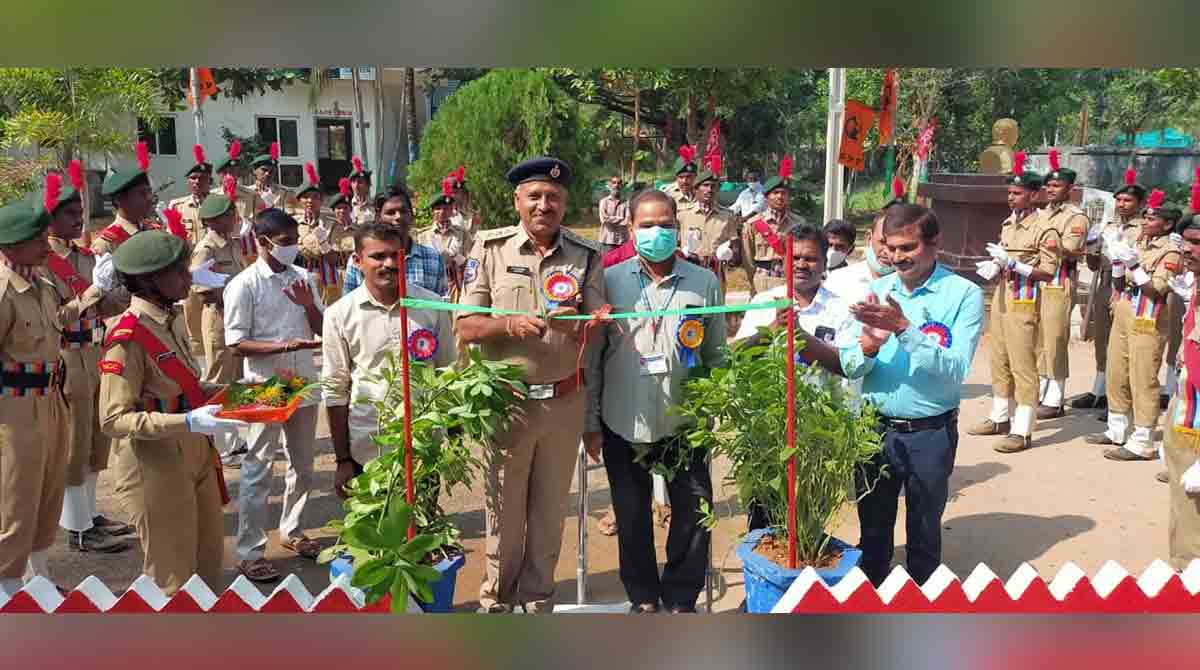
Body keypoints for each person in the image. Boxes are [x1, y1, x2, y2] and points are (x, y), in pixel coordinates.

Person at [457, 156, 604, 614]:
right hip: (508, 404)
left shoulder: (586, 256)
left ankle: (538, 602)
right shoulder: (489, 250)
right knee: (504, 513)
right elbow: (466, 325)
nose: (545, 204)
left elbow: (599, 325)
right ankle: (497, 604)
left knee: (547, 514)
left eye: (554, 197)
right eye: (535, 196)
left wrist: (578, 320)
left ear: (566, 203)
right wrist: (509, 325)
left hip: (563, 404)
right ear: (517, 200)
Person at [583, 189, 720, 614]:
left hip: (683, 421)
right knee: (632, 513)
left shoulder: (704, 283)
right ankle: (642, 595)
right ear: (630, 228)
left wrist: (710, 409)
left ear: (678, 226)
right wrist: (590, 421)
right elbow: (593, 358)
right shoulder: (608, 280)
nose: (656, 232)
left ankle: (681, 596)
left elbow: (716, 354)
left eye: (665, 224)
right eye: (647, 225)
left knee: (694, 512)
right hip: (623, 417)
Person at [838, 204, 984, 586]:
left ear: (934, 242)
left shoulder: (964, 294)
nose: (898, 258)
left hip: (929, 434)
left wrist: (904, 328)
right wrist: (868, 347)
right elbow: (853, 366)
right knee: (872, 529)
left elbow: (955, 369)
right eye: (891, 248)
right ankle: (870, 599)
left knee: (923, 531)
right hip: (874, 429)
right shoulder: (878, 290)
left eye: (908, 248)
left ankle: (921, 604)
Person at [97, 229, 246, 595]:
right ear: (149, 282)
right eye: (177, 271)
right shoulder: (127, 338)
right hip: (155, 463)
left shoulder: (171, 318)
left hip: (195, 451)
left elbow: (182, 390)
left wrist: (242, 395)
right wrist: (188, 420)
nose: (188, 277)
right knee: (174, 578)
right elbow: (113, 419)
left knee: (209, 565)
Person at [734, 224, 858, 534]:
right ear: (783, 260)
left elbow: (846, 365)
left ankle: (806, 579)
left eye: (811, 258)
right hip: (767, 426)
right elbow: (736, 359)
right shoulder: (764, 302)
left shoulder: (841, 308)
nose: (802, 264)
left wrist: (802, 338)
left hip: (817, 427)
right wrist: (769, 333)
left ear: (824, 261)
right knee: (763, 516)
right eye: (796, 257)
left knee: (808, 518)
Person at [223, 207, 325, 583]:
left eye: (294, 240)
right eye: (284, 242)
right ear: (262, 242)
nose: (292, 248)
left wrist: (308, 305)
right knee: (257, 468)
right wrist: (284, 347)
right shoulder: (243, 284)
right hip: (263, 384)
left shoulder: (304, 277)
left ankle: (292, 531)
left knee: (303, 465)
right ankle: (249, 551)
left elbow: (322, 326)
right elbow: (235, 344)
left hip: (304, 380)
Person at [322, 224, 457, 497]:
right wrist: (343, 460)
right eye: (377, 256)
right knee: (377, 534)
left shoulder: (432, 306)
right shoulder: (339, 314)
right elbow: (335, 391)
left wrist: (453, 443)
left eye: (395, 256)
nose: (388, 264)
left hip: (423, 447)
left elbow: (447, 374)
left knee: (423, 533)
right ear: (358, 262)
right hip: (368, 449)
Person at [43, 173, 133, 553]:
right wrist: (95, 290)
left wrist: (118, 293)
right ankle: (77, 528)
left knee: (98, 442)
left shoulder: (84, 257)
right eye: (70, 215)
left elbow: (104, 306)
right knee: (76, 445)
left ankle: (90, 516)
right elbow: (56, 318)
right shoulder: (44, 263)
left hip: (96, 351)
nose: (79, 221)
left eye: (80, 213)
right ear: (50, 220)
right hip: (69, 357)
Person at [0, 197, 72, 599]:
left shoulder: (41, 284)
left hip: (49, 399)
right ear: (10, 246)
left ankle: (38, 577)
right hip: (13, 409)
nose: (46, 245)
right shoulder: (4, 292)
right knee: (15, 498)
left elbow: (57, 328)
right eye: (36, 239)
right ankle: (6, 587)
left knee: (49, 491)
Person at [968, 160, 1061, 453]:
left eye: (1018, 193)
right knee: (1000, 359)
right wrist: (996, 266)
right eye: (1010, 192)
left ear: (1034, 195)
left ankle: (1022, 429)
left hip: (1026, 300)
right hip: (1003, 297)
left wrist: (1014, 264)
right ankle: (999, 417)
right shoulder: (1009, 223)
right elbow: (1006, 258)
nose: (1011, 197)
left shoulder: (1045, 229)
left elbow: (1048, 271)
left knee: (1023, 364)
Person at [1087, 192, 1183, 461]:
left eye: (1153, 218)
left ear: (1167, 225)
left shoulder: (1170, 251)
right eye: (1146, 216)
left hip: (1149, 316)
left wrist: (1132, 264)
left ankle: (1143, 439)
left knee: (1143, 377)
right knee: (1117, 370)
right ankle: (1117, 429)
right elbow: (1119, 285)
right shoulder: (1139, 243)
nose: (1146, 221)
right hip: (1125, 310)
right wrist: (1118, 262)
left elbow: (1157, 290)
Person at [1074, 169, 1146, 412]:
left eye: (1128, 200)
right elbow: (1094, 265)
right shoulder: (1109, 225)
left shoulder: (1144, 228)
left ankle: (1121, 398)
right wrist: (1093, 246)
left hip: (1128, 288)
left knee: (1124, 343)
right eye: (1119, 200)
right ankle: (1099, 389)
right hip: (1105, 283)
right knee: (1102, 338)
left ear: (1140, 204)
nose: (1122, 204)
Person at [191, 190, 248, 464]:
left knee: (236, 379)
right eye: (228, 215)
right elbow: (203, 291)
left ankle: (234, 441)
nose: (233, 219)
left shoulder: (233, 243)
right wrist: (234, 295)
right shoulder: (207, 249)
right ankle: (220, 446)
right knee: (218, 380)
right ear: (213, 220)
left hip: (235, 319)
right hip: (218, 320)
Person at [1035, 150, 1088, 419]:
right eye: (1049, 185)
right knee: (1040, 337)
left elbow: (1068, 248)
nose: (1050, 189)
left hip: (1059, 281)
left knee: (1055, 338)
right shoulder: (1042, 213)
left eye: (1056, 185)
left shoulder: (1075, 217)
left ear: (1070, 188)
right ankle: (1042, 387)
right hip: (1037, 282)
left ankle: (1055, 396)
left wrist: (1043, 244)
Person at [1162, 212, 1200, 569]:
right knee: (1182, 501)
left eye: (1197, 244)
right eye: (1186, 241)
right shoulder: (1197, 287)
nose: (1187, 250)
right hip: (1187, 411)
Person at [341, 188, 448, 298]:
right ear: (378, 218)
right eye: (390, 212)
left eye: (403, 211)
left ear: (411, 216)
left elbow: (441, 306)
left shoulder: (433, 258)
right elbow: (347, 305)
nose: (398, 217)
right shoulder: (363, 260)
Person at [171, 147, 215, 360]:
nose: (198, 182)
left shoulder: (218, 205)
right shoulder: (177, 206)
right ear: (188, 181)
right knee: (191, 313)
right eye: (193, 178)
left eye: (203, 178)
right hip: (188, 267)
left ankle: (215, 349)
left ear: (210, 181)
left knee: (214, 312)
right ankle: (198, 357)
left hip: (213, 267)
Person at [742, 163, 804, 296]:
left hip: (790, 280)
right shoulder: (753, 224)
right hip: (763, 281)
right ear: (766, 196)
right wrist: (753, 281)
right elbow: (748, 259)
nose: (780, 197)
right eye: (775, 193)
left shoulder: (799, 223)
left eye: (784, 193)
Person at [678, 166, 738, 295]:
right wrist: (682, 252)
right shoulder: (683, 215)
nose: (709, 190)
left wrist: (729, 253)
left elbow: (735, 245)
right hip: (689, 271)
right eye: (705, 185)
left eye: (713, 186)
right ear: (696, 189)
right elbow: (674, 245)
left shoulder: (727, 216)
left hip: (716, 272)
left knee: (715, 310)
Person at [417, 183, 469, 300]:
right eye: (438, 209)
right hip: (431, 286)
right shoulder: (423, 236)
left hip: (456, 284)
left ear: (451, 210)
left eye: (446, 208)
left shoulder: (461, 233)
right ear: (432, 211)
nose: (442, 212)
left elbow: (470, 258)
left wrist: (456, 258)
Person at [597, 176, 629, 256]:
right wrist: (621, 219)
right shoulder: (604, 202)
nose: (616, 185)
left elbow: (628, 220)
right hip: (607, 241)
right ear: (610, 185)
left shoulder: (626, 202)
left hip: (622, 241)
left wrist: (611, 219)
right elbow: (603, 219)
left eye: (619, 183)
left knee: (622, 266)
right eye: (614, 183)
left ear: (622, 186)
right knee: (606, 266)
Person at [348, 157, 376, 226]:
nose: (356, 185)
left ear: (368, 185)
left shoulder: (375, 204)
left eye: (360, 182)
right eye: (353, 182)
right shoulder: (347, 204)